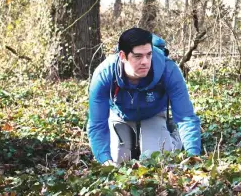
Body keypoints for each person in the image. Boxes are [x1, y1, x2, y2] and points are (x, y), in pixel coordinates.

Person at [87, 27, 202, 165]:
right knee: (118, 160)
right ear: (123, 56)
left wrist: (192, 154)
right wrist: (104, 159)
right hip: (120, 116)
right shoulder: (104, 74)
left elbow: (186, 117)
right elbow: (97, 124)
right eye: (138, 56)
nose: (145, 62)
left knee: (156, 159)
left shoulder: (168, 70)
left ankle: (173, 132)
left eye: (149, 55)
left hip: (153, 114)